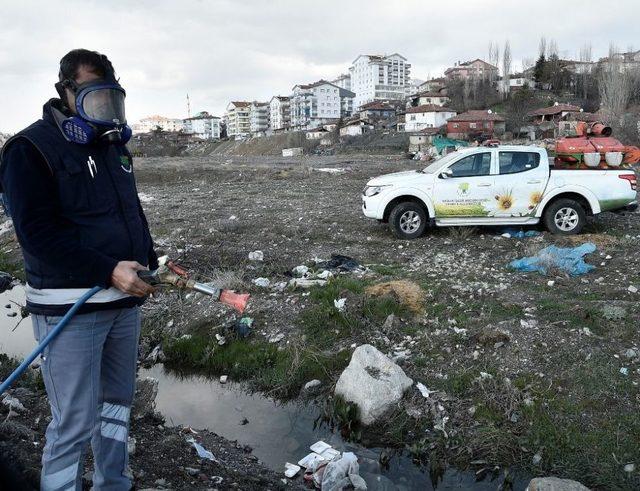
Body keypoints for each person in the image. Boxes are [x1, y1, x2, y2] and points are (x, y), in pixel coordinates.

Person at [0, 49, 157, 490]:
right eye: (92, 97)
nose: (104, 109)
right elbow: (38, 236)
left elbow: (129, 214)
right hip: (70, 309)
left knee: (116, 407)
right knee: (73, 420)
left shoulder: (112, 146)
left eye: (110, 98)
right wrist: (108, 270)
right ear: (65, 93)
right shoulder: (29, 149)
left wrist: (154, 258)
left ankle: (113, 483)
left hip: (124, 303)